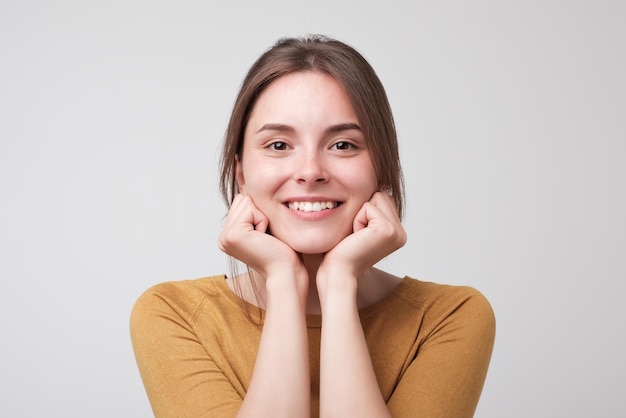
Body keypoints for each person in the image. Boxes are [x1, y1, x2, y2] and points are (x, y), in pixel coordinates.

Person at [130, 34, 495, 418]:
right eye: (278, 145)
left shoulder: (449, 317)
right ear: (240, 172)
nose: (310, 172)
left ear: (382, 168)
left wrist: (339, 283)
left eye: (342, 145)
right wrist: (283, 281)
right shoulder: (173, 315)